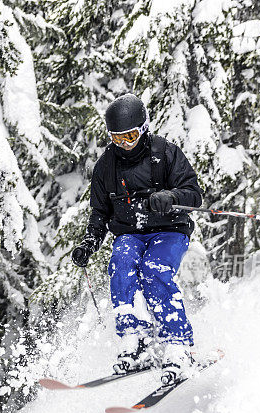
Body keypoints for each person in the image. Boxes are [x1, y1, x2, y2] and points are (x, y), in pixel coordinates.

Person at [71, 93, 204, 379]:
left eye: (130, 136)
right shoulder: (106, 166)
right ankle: (136, 339)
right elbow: (100, 212)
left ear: (143, 129)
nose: (125, 144)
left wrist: (170, 196)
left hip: (169, 230)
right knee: (121, 265)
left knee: (153, 270)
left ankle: (178, 344)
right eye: (117, 138)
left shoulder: (165, 153)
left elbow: (194, 195)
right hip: (131, 232)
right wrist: (89, 243)